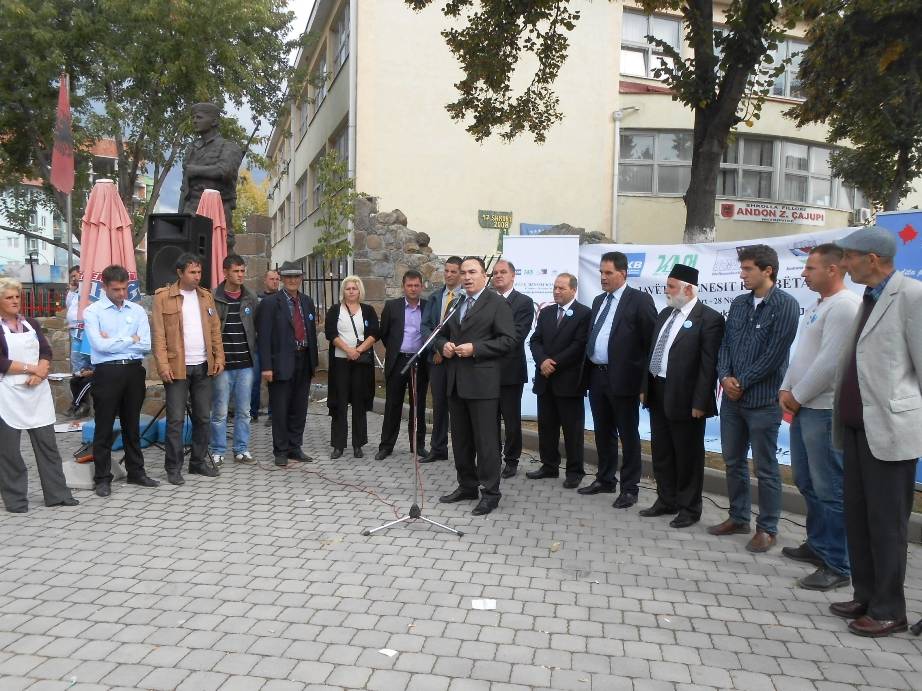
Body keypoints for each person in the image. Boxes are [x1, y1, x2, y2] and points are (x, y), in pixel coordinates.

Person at [829, 226, 921, 638]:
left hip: (889, 432)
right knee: (859, 518)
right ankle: (865, 595)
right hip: (855, 429)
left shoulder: (912, 298)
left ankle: (889, 609)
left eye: (849, 257)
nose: (844, 264)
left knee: (886, 524)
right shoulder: (867, 297)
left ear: (872, 259)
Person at [778, 244, 859, 590]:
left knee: (831, 489)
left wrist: (796, 396)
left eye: (810, 269)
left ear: (833, 270)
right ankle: (818, 544)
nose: (803, 274)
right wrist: (786, 388)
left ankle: (838, 564)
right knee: (807, 482)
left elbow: (830, 364)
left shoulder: (844, 307)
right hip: (804, 405)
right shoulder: (819, 305)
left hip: (823, 409)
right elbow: (802, 355)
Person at [709, 244, 799, 552]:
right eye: (742, 268)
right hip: (732, 400)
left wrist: (742, 381)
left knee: (766, 467)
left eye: (748, 269)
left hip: (762, 401)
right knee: (733, 461)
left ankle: (768, 528)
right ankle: (738, 517)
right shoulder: (738, 304)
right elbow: (725, 345)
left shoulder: (785, 305)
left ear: (767, 270)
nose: (742, 274)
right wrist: (724, 377)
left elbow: (775, 354)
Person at [639, 264, 724, 529]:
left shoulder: (708, 318)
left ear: (688, 289)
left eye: (672, 286)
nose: (667, 291)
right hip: (658, 391)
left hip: (687, 399)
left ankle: (689, 508)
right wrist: (645, 387)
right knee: (662, 451)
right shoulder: (665, 313)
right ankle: (666, 499)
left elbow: (708, 366)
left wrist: (700, 402)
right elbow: (652, 352)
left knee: (687, 455)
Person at [433, 257, 516, 516]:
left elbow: (509, 340)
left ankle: (490, 493)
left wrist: (476, 348)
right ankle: (467, 485)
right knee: (461, 440)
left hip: (482, 384)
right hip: (456, 382)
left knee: (485, 442)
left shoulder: (496, 303)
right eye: (463, 273)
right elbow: (441, 333)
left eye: (472, 272)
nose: (466, 277)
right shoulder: (456, 301)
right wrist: (442, 346)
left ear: (484, 276)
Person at [581, 251, 657, 508]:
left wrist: (644, 384)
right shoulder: (598, 301)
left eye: (608, 273)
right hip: (597, 376)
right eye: (601, 272)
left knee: (628, 434)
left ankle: (629, 488)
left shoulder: (639, 300)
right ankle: (605, 479)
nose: (603, 277)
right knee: (602, 432)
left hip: (625, 379)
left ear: (623, 273)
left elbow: (651, 344)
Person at [0, 277, 78, 512]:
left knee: (48, 446)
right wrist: (31, 368)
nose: (15, 301)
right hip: (9, 394)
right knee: (9, 451)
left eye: (17, 297)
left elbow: (45, 349)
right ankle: (16, 500)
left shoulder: (31, 323)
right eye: (9, 298)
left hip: (37, 391)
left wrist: (42, 370)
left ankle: (58, 494)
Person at [83, 264, 158, 497]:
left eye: (125, 288)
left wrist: (115, 339)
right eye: (116, 289)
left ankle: (136, 471)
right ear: (104, 287)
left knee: (132, 424)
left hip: (134, 371)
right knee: (104, 426)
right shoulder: (93, 312)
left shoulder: (136, 311)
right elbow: (99, 346)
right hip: (106, 372)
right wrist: (129, 338)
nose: (121, 294)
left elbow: (146, 344)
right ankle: (102, 477)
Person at [152, 253, 225, 485]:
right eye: (192, 272)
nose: (197, 277)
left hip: (203, 366)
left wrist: (219, 357)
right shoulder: (163, 297)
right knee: (175, 420)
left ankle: (198, 462)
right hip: (177, 368)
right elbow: (159, 335)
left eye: (199, 272)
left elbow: (215, 331)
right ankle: (173, 467)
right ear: (180, 273)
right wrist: (163, 366)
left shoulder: (206, 297)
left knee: (203, 417)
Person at [526, 273, 591, 488]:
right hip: (545, 381)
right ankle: (549, 466)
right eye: (555, 287)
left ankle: (575, 471)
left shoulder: (584, 313)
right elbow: (535, 341)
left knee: (572, 430)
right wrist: (543, 360)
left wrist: (553, 363)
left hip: (569, 382)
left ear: (573, 290)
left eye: (561, 288)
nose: (556, 291)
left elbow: (579, 345)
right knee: (547, 427)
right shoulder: (546, 312)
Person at [257, 260, 319, 467]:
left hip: (304, 359)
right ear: (282, 279)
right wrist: (266, 367)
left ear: (301, 278)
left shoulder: (308, 302)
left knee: (299, 408)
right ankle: (280, 450)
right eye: (288, 277)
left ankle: (295, 447)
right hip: (280, 362)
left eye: (296, 276)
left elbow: (311, 332)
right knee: (281, 408)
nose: (292, 280)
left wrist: (314, 362)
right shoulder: (270, 303)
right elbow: (264, 337)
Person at [210, 254, 260, 466]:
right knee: (220, 411)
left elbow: (256, 328)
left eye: (242, 270)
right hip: (223, 365)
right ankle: (217, 450)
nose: (241, 275)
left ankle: (241, 449)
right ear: (225, 272)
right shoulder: (213, 297)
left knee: (244, 410)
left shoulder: (251, 298)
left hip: (246, 364)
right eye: (236, 271)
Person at [376, 270, 429, 461]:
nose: (413, 289)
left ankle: (418, 445)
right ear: (403, 287)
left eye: (416, 285)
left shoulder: (429, 307)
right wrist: (395, 349)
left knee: (418, 405)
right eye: (409, 285)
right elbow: (384, 333)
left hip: (419, 361)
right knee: (393, 404)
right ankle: (386, 446)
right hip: (398, 360)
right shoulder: (392, 306)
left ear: (421, 286)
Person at [324, 276, 379, 459]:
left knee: (359, 403)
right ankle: (338, 445)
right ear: (343, 291)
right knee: (339, 404)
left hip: (361, 364)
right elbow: (331, 333)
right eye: (348, 289)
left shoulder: (368, 310)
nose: (351, 292)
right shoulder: (334, 310)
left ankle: (358, 444)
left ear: (359, 291)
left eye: (354, 289)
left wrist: (358, 350)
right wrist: (348, 350)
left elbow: (374, 333)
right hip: (341, 362)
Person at [491, 259, 534, 479]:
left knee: (511, 420)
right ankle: (492, 458)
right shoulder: (485, 300)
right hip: (486, 371)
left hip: (510, 371)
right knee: (489, 419)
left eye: (503, 272)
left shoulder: (524, 302)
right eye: (495, 272)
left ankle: (511, 460)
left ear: (513, 276)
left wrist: (486, 345)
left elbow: (516, 336)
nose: (498, 276)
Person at [179, 102, 244, 247]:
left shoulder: (229, 147)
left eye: (199, 117)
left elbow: (225, 171)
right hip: (192, 207)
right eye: (194, 117)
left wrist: (195, 170)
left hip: (219, 207)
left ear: (214, 121)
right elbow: (185, 186)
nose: (195, 120)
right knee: (189, 250)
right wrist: (180, 215)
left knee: (221, 248)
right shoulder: (191, 149)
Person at [420, 256, 463, 464]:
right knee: (438, 405)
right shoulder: (436, 297)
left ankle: (462, 451)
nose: (448, 274)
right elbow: (426, 327)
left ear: (461, 274)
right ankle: (438, 448)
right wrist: (438, 347)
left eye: (454, 271)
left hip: (458, 359)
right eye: (446, 270)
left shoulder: (465, 297)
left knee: (457, 406)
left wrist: (449, 348)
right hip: (436, 359)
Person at [251, 269, 280, 423]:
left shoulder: (282, 299)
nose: (275, 281)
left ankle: (272, 414)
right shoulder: (256, 299)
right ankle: (252, 412)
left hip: (275, 347)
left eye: (277, 279)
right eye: (272, 279)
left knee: (273, 382)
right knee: (254, 381)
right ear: (265, 280)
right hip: (257, 346)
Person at [64, 265, 93, 418]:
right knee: (77, 371)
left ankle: (81, 404)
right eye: (72, 276)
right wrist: (72, 289)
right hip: (76, 332)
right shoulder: (74, 294)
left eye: (76, 275)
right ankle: (78, 403)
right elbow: (69, 307)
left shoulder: (90, 291)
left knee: (87, 370)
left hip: (87, 332)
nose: (74, 278)